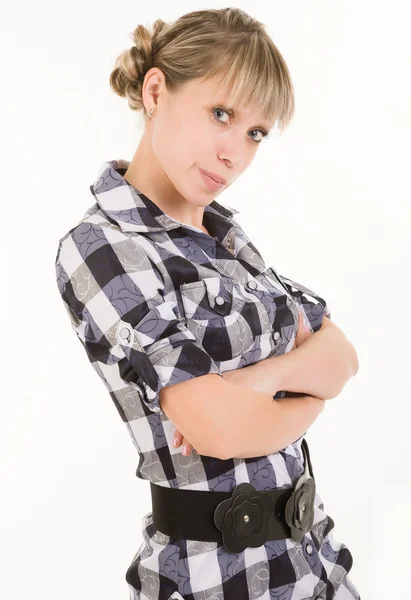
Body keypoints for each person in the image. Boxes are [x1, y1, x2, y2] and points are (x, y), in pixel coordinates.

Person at [54, 7, 361, 600]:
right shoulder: (103, 245)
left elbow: (343, 355)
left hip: (313, 566)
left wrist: (264, 379)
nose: (236, 154)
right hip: (215, 578)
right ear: (156, 91)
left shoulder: (230, 240)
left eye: (255, 132)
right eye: (221, 114)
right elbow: (218, 429)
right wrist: (312, 393)